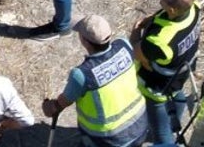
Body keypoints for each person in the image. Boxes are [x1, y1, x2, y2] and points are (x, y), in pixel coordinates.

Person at [42, 15, 148, 147]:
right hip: (140, 125)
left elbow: (59, 105)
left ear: (84, 41)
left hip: (109, 140)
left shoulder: (82, 75)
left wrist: (49, 107)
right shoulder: (124, 45)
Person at [130, 0, 201, 146]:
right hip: (180, 73)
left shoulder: (160, 42)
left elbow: (137, 51)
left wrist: (135, 31)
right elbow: (165, 15)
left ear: (173, 10)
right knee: (177, 94)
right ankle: (173, 121)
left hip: (157, 87)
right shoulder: (194, 9)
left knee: (161, 132)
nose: (160, 0)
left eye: (163, 0)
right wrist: (152, 19)